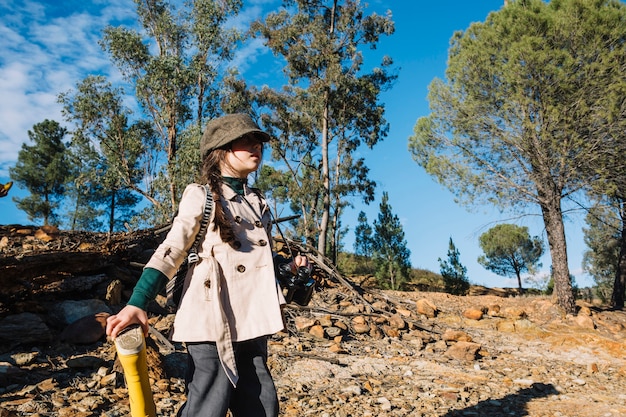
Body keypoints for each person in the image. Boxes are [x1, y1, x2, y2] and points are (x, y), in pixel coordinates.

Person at [106, 113, 309, 417]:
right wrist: (138, 303)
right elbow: (171, 250)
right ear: (221, 149)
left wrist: (288, 268)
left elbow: (257, 264)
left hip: (253, 318)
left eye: (259, 142)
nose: (256, 147)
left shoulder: (257, 201)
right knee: (209, 400)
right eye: (246, 141)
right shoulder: (201, 196)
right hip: (211, 317)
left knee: (261, 403)